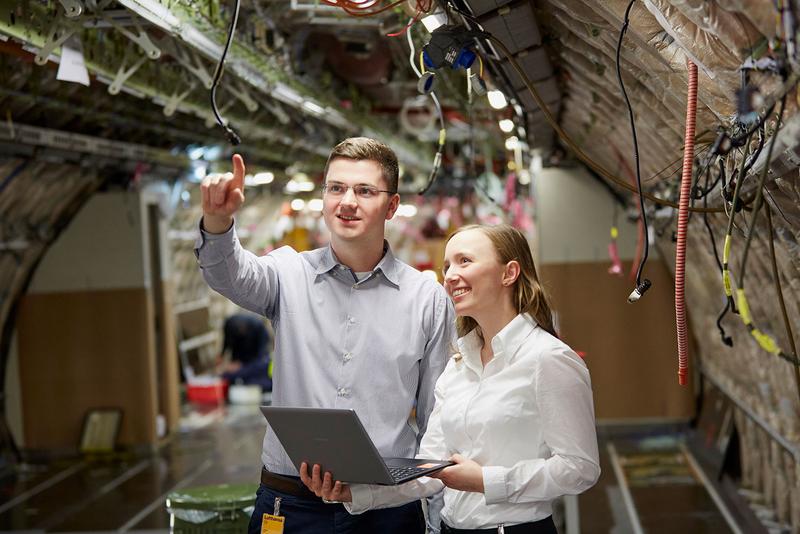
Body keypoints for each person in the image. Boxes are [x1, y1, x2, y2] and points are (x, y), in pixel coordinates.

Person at [195, 137, 455, 534]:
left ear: (392, 206)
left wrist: (436, 521)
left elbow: (437, 421)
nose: (346, 201)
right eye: (336, 188)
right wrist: (217, 221)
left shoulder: (427, 300)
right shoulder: (287, 273)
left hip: (385, 509)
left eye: (364, 190)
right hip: (291, 504)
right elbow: (228, 275)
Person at [300, 224, 600, 534]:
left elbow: (580, 468)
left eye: (465, 261)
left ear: (509, 273)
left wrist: (487, 482)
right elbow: (430, 469)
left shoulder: (548, 359)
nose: (450, 276)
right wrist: (356, 493)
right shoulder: (457, 367)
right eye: (447, 266)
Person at [217, 313, 272, 392]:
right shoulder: (230, 325)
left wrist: (239, 365)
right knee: (229, 375)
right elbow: (227, 341)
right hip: (244, 362)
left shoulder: (259, 330)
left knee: (250, 372)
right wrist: (222, 356)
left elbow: (259, 357)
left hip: (255, 364)